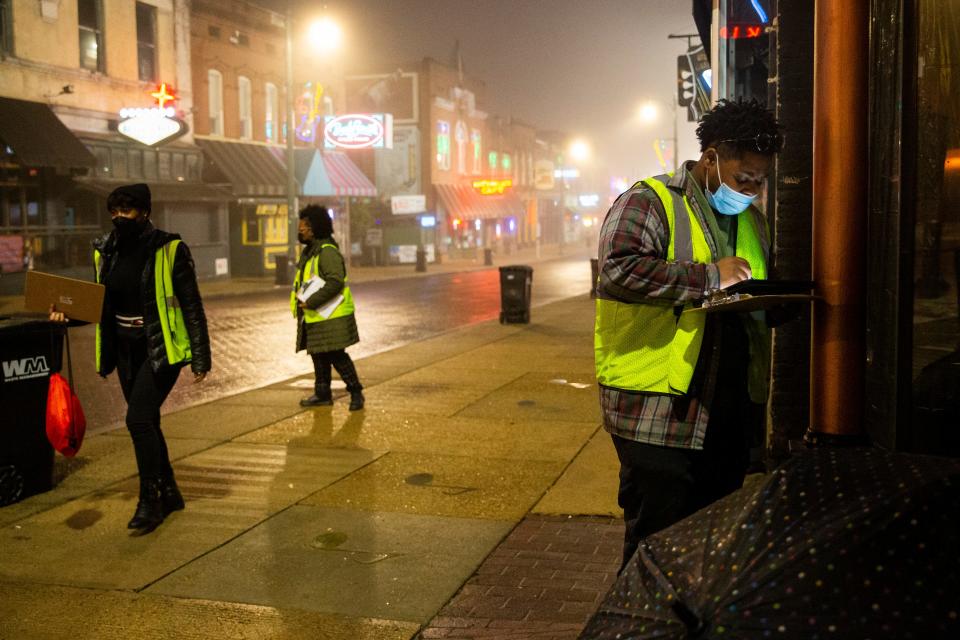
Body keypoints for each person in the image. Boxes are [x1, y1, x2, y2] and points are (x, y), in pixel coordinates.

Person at [594, 99, 784, 571]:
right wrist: (707, 278)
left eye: (761, 180)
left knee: (707, 551)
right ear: (711, 158)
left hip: (726, 413)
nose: (753, 189)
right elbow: (618, 272)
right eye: (745, 178)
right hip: (657, 408)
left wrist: (779, 305)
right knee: (656, 548)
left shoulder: (751, 220)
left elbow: (749, 292)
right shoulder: (649, 201)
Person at [50, 183, 210, 533]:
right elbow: (99, 304)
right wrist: (67, 314)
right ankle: (169, 491)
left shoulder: (169, 248)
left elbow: (192, 304)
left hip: (160, 349)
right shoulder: (106, 250)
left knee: (137, 420)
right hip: (124, 349)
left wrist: (201, 357)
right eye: (115, 210)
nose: (119, 217)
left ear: (145, 212)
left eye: (128, 210)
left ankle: (150, 501)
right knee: (148, 421)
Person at [293, 205, 364, 411]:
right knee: (319, 354)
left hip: (331, 314)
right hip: (317, 315)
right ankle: (322, 393)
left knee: (336, 356)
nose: (301, 231)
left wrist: (311, 301)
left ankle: (356, 392)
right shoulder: (311, 251)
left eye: (304, 227)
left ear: (315, 228)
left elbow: (335, 282)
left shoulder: (327, 252)